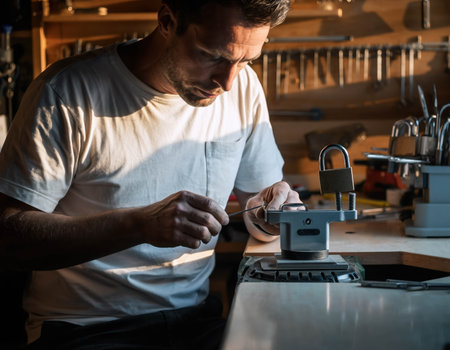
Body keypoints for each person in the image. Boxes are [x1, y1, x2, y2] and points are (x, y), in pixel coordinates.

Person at [0, 0, 300, 348]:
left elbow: (259, 209)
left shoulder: (243, 88)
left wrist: (277, 211)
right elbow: (10, 236)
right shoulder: (66, 92)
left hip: (195, 320)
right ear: (167, 21)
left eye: (245, 61)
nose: (227, 82)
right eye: (212, 55)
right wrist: (140, 225)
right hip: (86, 327)